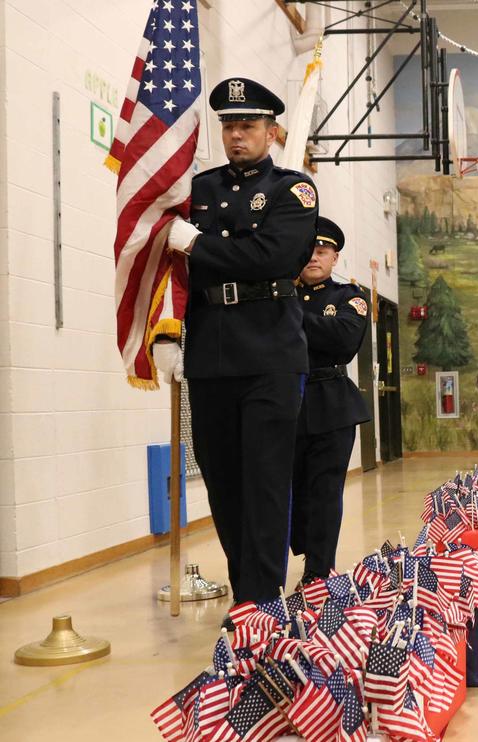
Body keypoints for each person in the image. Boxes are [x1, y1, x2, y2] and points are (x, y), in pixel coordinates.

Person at [158, 78, 317, 608]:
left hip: (271, 353)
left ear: (271, 133)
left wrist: (197, 245)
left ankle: (262, 601)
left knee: (266, 483)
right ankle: (245, 594)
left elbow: (272, 258)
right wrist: (166, 332)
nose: (236, 135)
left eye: (247, 126)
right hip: (210, 353)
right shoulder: (197, 191)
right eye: (228, 126)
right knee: (223, 484)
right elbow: (166, 270)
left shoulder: (293, 191)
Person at [290, 217, 371, 584]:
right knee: (290, 491)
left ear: (335, 258)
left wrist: (288, 318)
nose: (313, 257)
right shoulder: (281, 294)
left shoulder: (349, 297)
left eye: (322, 251)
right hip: (285, 402)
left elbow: (344, 340)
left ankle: (318, 572)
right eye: (308, 250)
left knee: (325, 492)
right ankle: (291, 559)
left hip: (331, 404)